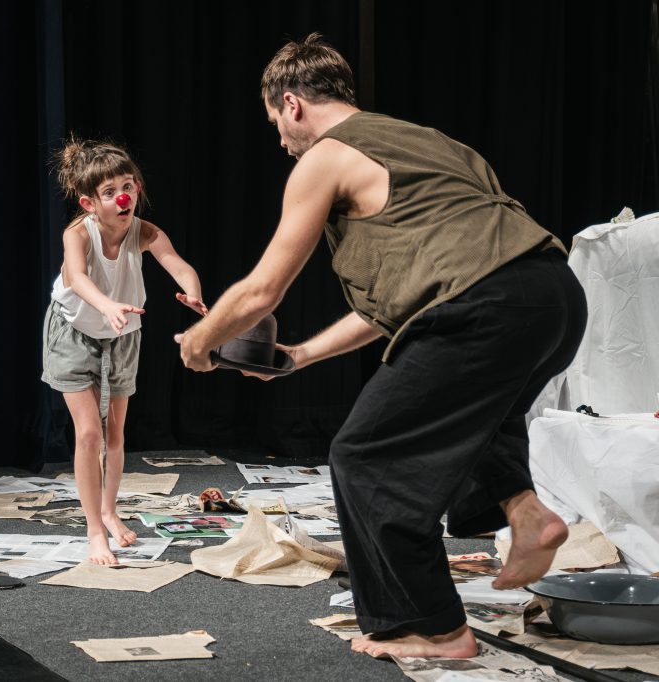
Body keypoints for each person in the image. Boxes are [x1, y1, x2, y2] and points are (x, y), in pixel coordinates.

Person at [176, 33, 587, 658]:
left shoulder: (325, 157)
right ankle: (530, 517)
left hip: (480, 306)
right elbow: (404, 303)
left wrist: (200, 341)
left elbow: (262, 290)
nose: (280, 141)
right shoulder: (432, 142)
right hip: (553, 296)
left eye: (276, 123)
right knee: (478, 419)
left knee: (365, 457)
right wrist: (301, 356)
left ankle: (434, 628)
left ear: (292, 104)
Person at [44, 136, 208, 565]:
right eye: (110, 191)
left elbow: (179, 265)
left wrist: (192, 293)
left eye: (128, 186)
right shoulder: (78, 234)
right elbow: (77, 278)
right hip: (75, 330)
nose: (124, 197)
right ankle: (94, 530)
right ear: (89, 203)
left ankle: (109, 511)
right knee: (89, 433)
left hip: (122, 335)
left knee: (115, 434)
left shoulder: (145, 232)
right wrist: (107, 305)